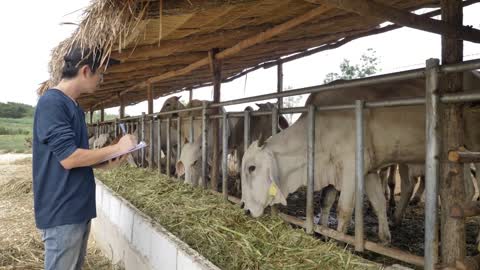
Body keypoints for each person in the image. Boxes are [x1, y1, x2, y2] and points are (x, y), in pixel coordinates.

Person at [32, 46, 136, 270]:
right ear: (86, 70)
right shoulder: (53, 102)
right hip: (62, 210)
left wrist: (107, 161)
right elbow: (69, 158)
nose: (102, 79)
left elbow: (75, 157)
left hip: (77, 207)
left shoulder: (74, 107)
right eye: (101, 73)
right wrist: (116, 146)